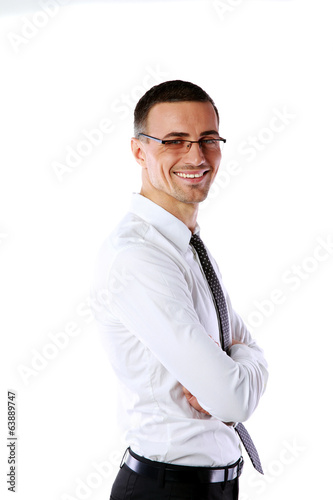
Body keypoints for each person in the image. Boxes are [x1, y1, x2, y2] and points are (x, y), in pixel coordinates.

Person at [92, 80, 268, 500]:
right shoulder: (139, 257)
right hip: (165, 489)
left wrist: (239, 359)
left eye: (208, 139)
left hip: (214, 487)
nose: (197, 156)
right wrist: (234, 368)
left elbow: (243, 347)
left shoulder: (185, 245)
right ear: (139, 151)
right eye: (175, 141)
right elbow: (233, 400)